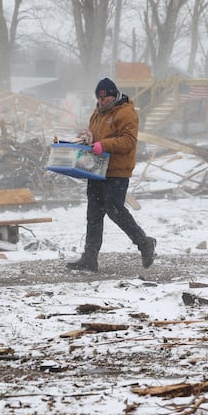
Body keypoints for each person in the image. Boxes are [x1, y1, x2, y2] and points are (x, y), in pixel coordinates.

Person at [66, 77, 156, 272]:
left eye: (104, 99)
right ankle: (90, 257)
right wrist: (86, 138)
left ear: (113, 96)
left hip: (117, 170)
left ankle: (144, 243)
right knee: (94, 214)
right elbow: (94, 135)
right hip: (96, 169)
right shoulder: (97, 113)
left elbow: (128, 141)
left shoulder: (125, 113)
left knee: (115, 210)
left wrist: (104, 145)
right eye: (98, 99)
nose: (100, 102)